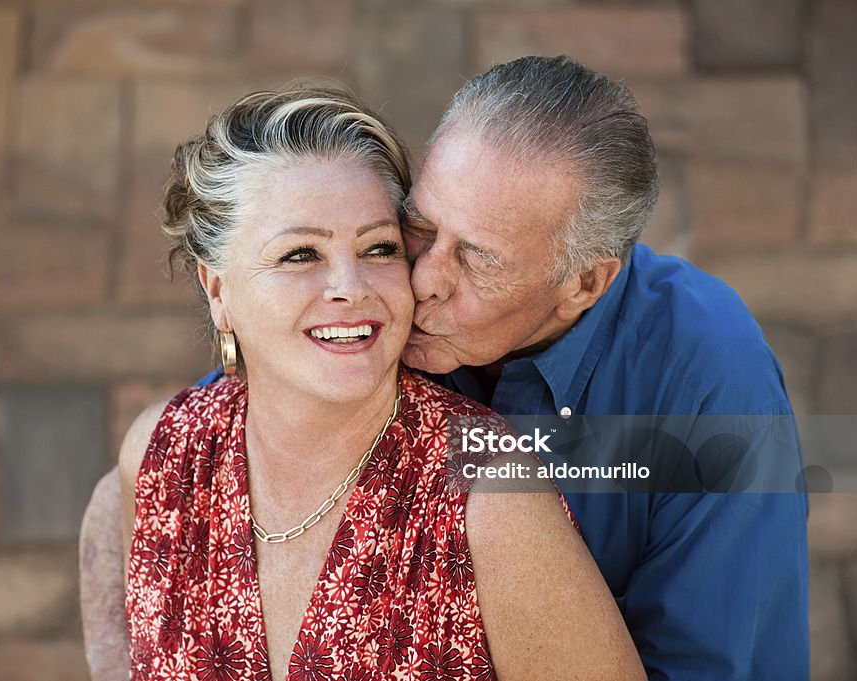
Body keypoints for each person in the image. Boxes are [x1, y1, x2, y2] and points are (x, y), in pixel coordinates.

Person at [83, 56, 809, 680]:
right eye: (420, 227)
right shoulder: (373, 319)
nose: (418, 278)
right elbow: (176, 480)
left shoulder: (709, 384)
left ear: (583, 284)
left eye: (476, 258)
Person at [113, 86, 644, 681]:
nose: (351, 285)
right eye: (299, 255)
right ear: (218, 290)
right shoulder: (164, 454)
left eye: (380, 248)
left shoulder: (490, 494)